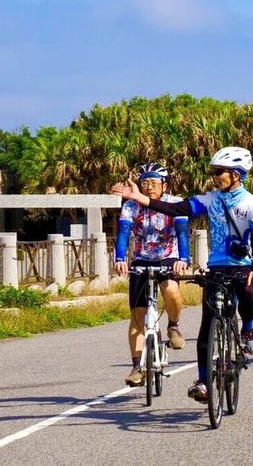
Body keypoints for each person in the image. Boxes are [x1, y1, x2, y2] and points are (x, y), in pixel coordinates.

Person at [113, 146, 253, 403]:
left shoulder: (252, 204)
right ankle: (204, 382)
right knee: (208, 326)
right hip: (216, 265)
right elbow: (178, 209)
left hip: (242, 263)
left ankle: (248, 329)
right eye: (214, 171)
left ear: (237, 174)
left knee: (247, 291)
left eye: (220, 172)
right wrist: (141, 199)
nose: (215, 176)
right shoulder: (211, 199)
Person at [113, 162, 190, 387]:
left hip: (168, 258)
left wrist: (183, 259)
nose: (148, 188)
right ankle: (137, 366)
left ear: (164, 185)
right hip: (140, 259)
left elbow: (183, 233)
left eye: (154, 183)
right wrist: (120, 259)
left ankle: (173, 325)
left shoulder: (175, 204)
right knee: (138, 315)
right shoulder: (131, 206)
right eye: (144, 183)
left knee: (171, 291)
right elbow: (124, 233)